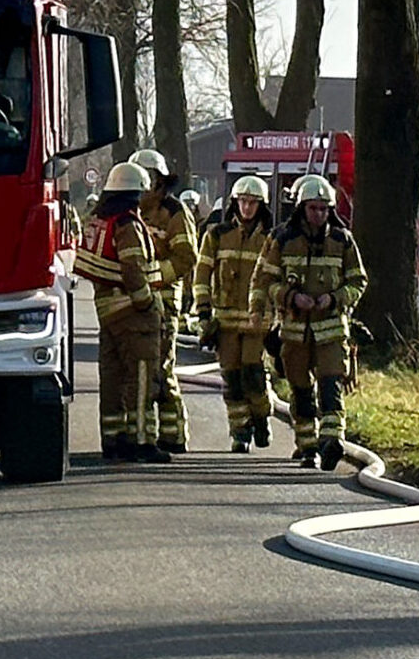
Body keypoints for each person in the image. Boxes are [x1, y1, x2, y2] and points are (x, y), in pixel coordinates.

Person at [257, 173, 368, 469]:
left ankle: (332, 440)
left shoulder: (342, 240)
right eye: (312, 208)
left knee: (331, 384)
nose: (319, 214)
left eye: (323, 208)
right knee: (300, 388)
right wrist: (291, 297)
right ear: (301, 208)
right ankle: (307, 445)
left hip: (331, 330)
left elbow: (358, 281)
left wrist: (334, 299)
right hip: (294, 332)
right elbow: (266, 279)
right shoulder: (282, 239)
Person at [73, 162, 167, 462]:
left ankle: (112, 439)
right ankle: (141, 441)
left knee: (112, 378)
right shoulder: (127, 223)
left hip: (108, 311)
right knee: (141, 377)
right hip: (133, 314)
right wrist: (146, 302)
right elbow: (132, 267)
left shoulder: (101, 220)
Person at [192, 175, 277, 452]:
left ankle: (262, 417)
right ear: (234, 203)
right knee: (231, 379)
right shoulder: (216, 235)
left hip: (257, 322)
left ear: (261, 205)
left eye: (253, 203)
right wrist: (204, 313)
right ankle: (240, 432)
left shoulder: (272, 239)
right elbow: (202, 275)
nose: (247, 208)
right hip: (225, 322)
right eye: (243, 201)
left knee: (253, 376)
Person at [129, 148, 200, 453]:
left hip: (164, 301)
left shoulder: (174, 213)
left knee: (161, 369)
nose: (145, 186)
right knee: (138, 369)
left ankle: (173, 435)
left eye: (150, 180)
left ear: (160, 182)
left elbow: (186, 257)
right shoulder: (129, 211)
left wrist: (155, 278)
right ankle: (143, 433)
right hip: (134, 301)